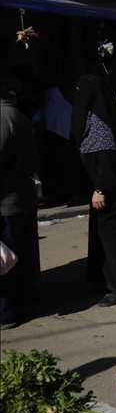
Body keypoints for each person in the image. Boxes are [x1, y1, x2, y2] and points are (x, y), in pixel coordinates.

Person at [72, 75, 116, 307]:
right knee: (105, 235)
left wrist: (102, 188)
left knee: (114, 236)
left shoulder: (101, 123)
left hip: (112, 191)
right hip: (108, 190)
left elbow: (108, 160)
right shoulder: (101, 116)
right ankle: (107, 279)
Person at [1, 80, 40, 328]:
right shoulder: (19, 115)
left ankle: (6, 311)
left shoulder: (2, 117)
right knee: (22, 255)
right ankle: (26, 302)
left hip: (7, 200)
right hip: (23, 196)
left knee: (6, 258)